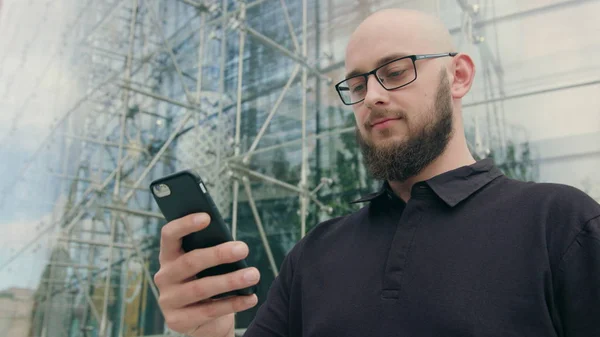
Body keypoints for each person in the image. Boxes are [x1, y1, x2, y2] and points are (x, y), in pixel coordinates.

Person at [153, 8, 600, 337]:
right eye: (359, 84)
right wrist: (205, 330)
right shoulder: (313, 255)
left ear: (459, 76)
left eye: (396, 71)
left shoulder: (562, 224)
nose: (372, 97)